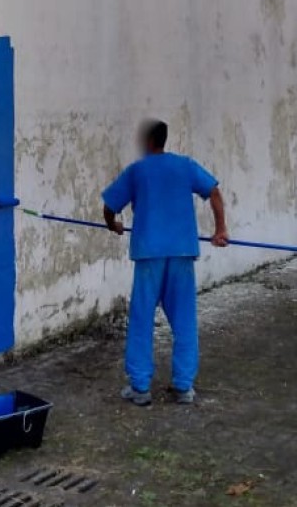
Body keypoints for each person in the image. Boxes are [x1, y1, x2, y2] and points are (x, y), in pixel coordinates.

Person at [101, 119, 229, 406]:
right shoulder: (185, 166)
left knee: (142, 320)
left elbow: (109, 207)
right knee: (184, 320)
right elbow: (214, 191)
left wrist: (114, 225)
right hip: (182, 252)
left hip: (149, 254)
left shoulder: (138, 170)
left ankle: (140, 387)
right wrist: (220, 229)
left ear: (148, 142)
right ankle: (184, 387)